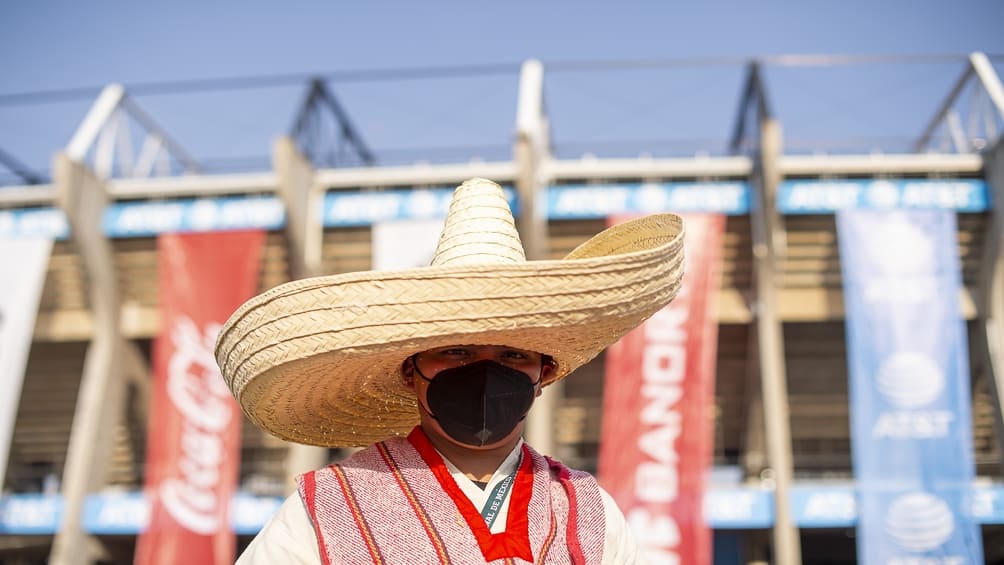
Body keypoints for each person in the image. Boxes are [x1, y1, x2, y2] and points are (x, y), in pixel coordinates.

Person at [215, 177, 685, 564]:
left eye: (512, 355)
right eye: (458, 352)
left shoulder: (589, 510)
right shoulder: (327, 510)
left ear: (543, 375)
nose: (486, 371)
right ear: (409, 372)